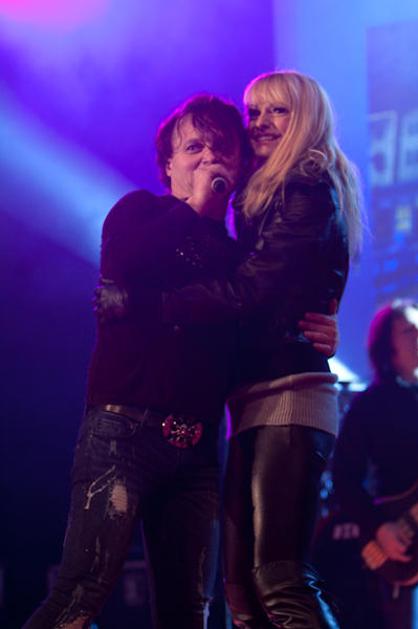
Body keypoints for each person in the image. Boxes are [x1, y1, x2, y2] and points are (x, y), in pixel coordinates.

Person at [23, 94, 336, 629]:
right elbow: (127, 269)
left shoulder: (240, 258)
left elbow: (259, 325)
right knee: (80, 595)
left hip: (197, 453)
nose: (209, 157)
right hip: (123, 433)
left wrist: (316, 333)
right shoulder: (136, 212)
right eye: (194, 147)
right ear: (169, 164)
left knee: (190, 612)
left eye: (222, 148)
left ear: (240, 165)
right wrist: (193, 207)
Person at [157, 71, 363, 628]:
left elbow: (253, 288)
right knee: (241, 588)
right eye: (255, 113)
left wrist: (161, 304)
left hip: (290, 393)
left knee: (278, 577)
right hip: (257, 396)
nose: (261, 124)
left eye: (278, 112)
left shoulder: (305, 188)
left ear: (307, 119)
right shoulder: (263, 191)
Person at [332, 299, 418, 629]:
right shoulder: (370, 405)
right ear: (388, 347)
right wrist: (380, 527)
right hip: (402, 543)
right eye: (409, 330)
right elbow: (344, 478)